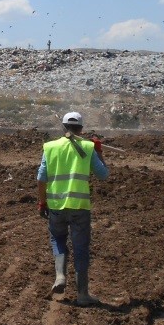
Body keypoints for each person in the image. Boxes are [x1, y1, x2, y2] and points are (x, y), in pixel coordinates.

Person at [36, 112, 109, 306]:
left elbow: (41, 179)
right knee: (81, 248)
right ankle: (83, 295)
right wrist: (98, 151)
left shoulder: (50, 147)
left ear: (63, 127)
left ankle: (60, 276)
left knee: (58, 239)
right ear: (82, 129)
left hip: (56, 206)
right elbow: (103, 174)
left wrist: (42, 203)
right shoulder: (88, 147)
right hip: (80, 207)